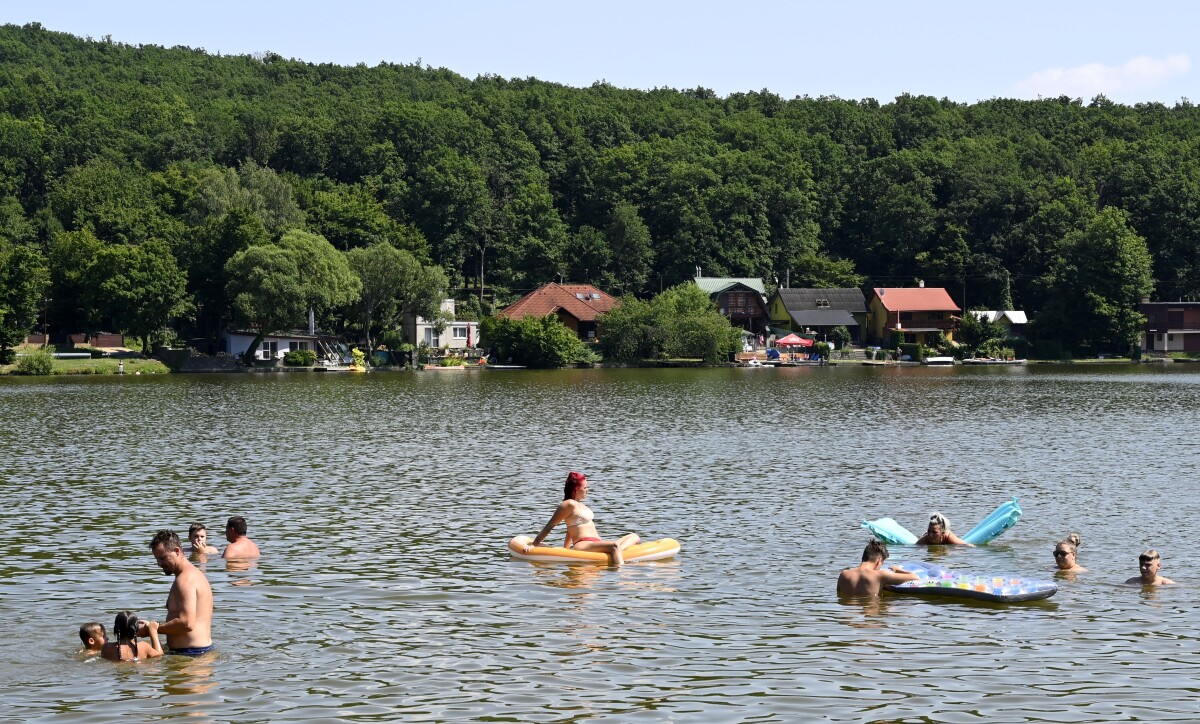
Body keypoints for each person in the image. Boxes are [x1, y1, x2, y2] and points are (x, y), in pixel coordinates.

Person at [524, 471, 640, 566]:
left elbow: (570, 528)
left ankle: (618, 552)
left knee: (634, 536)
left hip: (596, 543)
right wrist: (535, 543)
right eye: (585, 488)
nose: (587, 490)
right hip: (583, 544)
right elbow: (550, 525)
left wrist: (566, 548)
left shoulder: (581, 505)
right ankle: (621, 574)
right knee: (614, 545)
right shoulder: (568, 504)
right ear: (576, 489)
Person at [143, 529, 214, 655]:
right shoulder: (194, 574)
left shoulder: (185, 581)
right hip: (198, 652)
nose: (159, 564)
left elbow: (186, 623)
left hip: (190, 656)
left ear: (176, 551)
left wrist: (153, 628)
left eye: (163, 558)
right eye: (157, 559)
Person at [837, 540, 920, 596]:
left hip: (849, 618)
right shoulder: (880, 575)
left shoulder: (843, 574)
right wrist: (898, 570)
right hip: (872, 617)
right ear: (879, 561)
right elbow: (915, 577)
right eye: (882, 563)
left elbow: (839, 595)